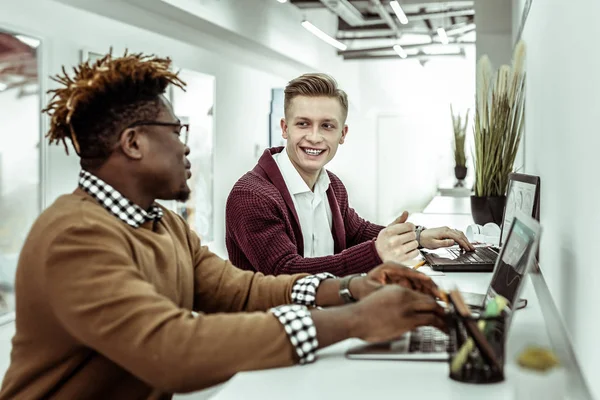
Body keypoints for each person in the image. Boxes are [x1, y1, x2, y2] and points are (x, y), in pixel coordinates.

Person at [0, 52, 447, 399]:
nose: (186, 148)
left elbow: (241, 290)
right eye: (177, 131)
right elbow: (174, 348)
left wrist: (348, 290)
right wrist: (353, 321)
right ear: (134, 142)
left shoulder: (164, 225)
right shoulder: (76, 236)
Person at [226, 73, 475, 276]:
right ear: (284, 128)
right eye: (303, 123)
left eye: (327, 125)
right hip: (274, 329)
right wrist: (376, 254)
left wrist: (417, 236)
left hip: (326, 316)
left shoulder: (332, 185)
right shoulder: (251, 196)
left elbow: (357, 232)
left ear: (342, 134)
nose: (315, 136)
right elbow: (285, 273)